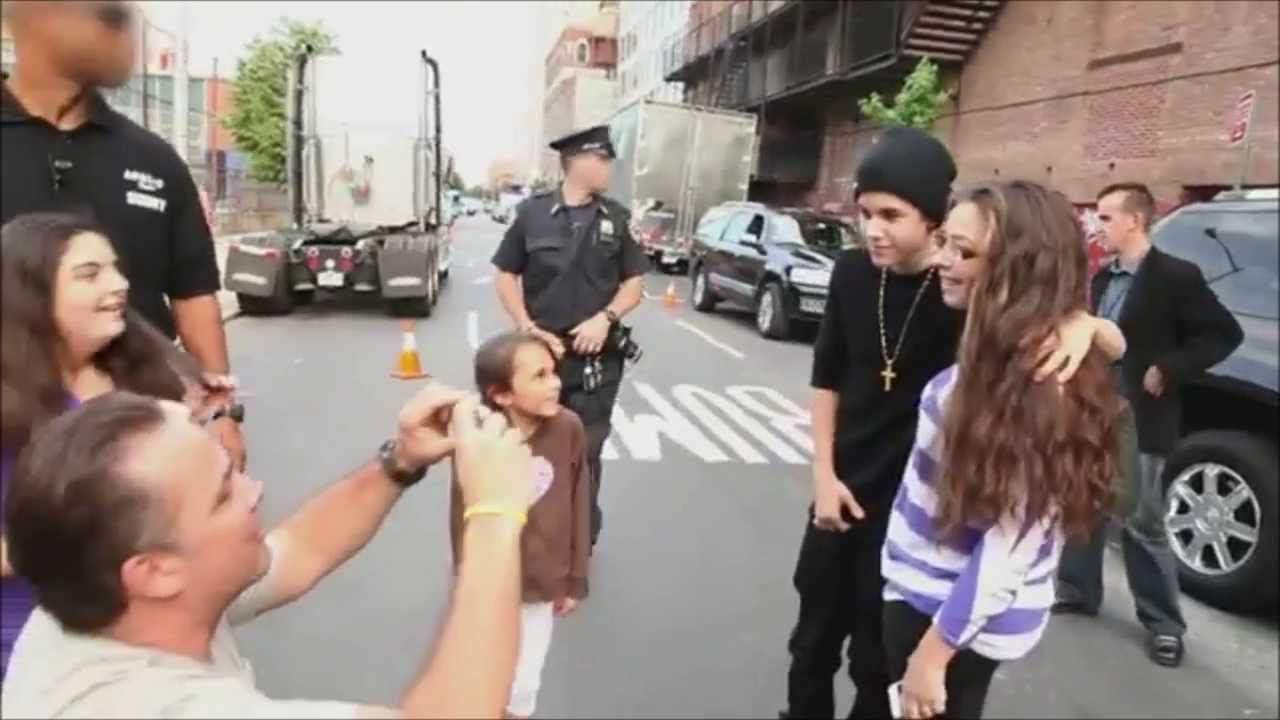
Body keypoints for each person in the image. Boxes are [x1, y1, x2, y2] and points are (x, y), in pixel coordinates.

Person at [781, 127, 1115, 720]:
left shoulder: (964, 292)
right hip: (845, 492)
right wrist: (823, 477)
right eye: (865, 213)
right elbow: (825, 378)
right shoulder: (853, 274)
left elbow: (1054, 320)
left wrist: (1084, 324)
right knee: (811, 643)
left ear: (932, 220)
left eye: (891, 215)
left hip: (926, 513)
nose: (873, 229)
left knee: (876, 665)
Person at [2, 385, 535, 718]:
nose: (255, 491)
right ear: (154, 571)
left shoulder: (108, 597)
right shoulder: (144, 707)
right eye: (223, 494)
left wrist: (402, 460)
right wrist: (495, 512)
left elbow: (299, 550)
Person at [881, 181, 1128, 720]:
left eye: (964, 251)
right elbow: (1117, 343)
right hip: (937, 600)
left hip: (944, 616)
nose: (942, 261)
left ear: (1019, 269)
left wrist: (934, 654)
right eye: (945, 243)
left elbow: (1010, 545)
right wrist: (1088, 323)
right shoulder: (1014, 349)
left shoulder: (1036, 381)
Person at [0, 0, 244, 468]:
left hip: (139, 440)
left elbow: (194, 295)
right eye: (107, 16)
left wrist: (225, 417)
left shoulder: (154, 159)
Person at [0, 212, 228, 683]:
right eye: (90, 274)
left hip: (150, 644)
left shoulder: (146, 377)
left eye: (115, 268)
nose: (120, 284)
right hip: (28, 654)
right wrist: (81, 552)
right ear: (30, 293)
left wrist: (198, 425)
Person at [1053, 182, 1244, 667]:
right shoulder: (1102, 278)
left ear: (1135, 220)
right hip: (1094, 411)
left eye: (1106, 217)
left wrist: (1170, 368)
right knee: (1084, 503)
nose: (1097, 225)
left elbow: (1224, 334)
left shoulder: (1176, 276)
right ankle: (1077, 589)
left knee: (1142, 520)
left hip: (1143, 416)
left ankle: (1163, 624)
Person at [492, 124, 649, 549]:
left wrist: (605, 319)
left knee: (586, 450)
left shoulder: (616, 219)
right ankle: (533, 527)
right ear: (575, 162)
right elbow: (505, 275)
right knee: (533, 446)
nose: (609, 167)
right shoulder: (532, 214)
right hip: (541, 358)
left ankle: (580, 534)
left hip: (596, 363)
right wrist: (526, 326)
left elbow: (634, 284)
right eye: (602, 158)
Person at [453, 331, 591, 719]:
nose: (556, 383)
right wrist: (466, 575)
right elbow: (461, 510)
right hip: (491, 580)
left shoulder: (569, 428)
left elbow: (579, 500)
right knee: (484, 677)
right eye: (540, 376)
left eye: (554, 372)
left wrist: (575, 578)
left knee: (525, 684)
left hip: (543, 582)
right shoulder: (480, 437)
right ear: (501, 394)